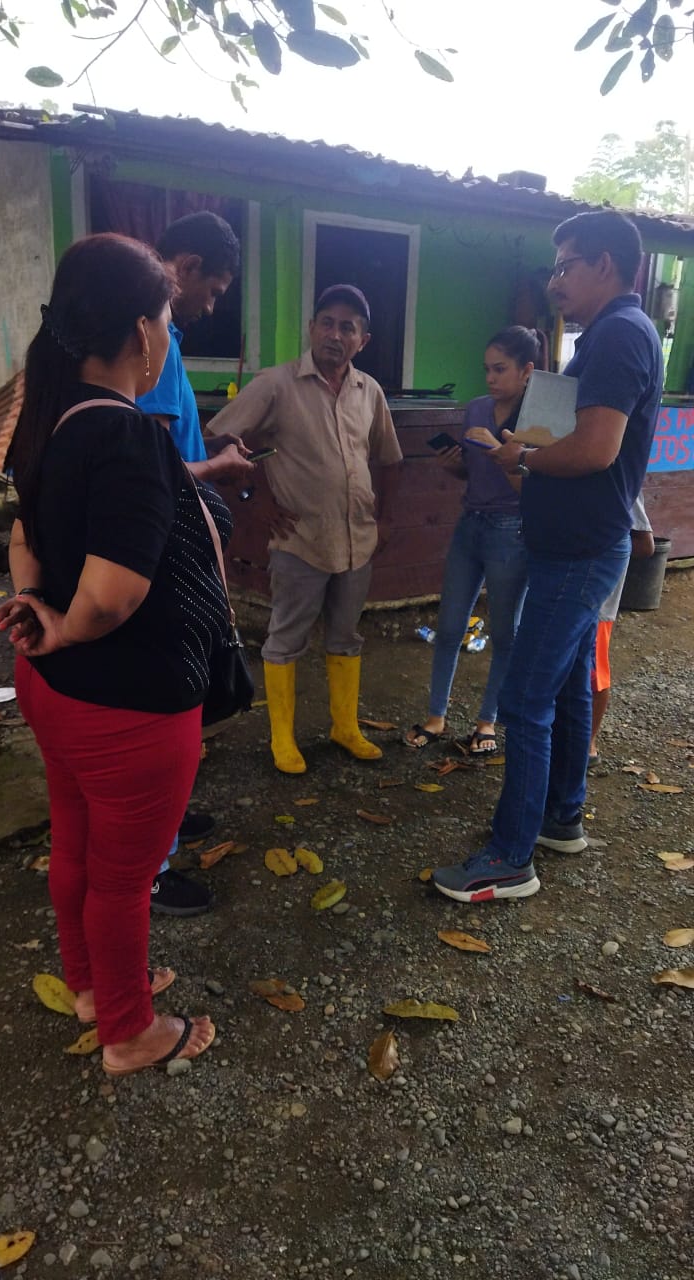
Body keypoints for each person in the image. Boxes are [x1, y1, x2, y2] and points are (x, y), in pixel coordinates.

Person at [0, 233, 225, 1074]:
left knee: (77, 848)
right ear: (142, 332)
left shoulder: (46, 423)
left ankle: (93, 988)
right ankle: (130, 1032)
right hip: (126, 704)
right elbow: (114, 594)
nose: (167, 334)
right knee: (123, 877)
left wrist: (38, 614)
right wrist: (69, 624)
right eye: (166, 318)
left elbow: (23, 538)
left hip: (54, 690)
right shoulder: (126, 436)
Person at [433, 209, 664, 903]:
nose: (555, 281)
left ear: (605, 265)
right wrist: (528, 451)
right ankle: (562, 816)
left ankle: (510, 858)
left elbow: (595, 449)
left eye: (566, 265)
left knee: (526, 698)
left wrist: (522, 458)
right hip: (575, 544)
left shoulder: (620, 334)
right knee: (563, 688)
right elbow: (576, 433)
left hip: (579, 551)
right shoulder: (609, 335)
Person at [207, 283, 403, 773]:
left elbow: (390, 459)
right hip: (300, 540)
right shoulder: (276, 385)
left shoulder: (369, 391)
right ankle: (282, 740)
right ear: (312, 328)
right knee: (286, 638)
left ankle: (345, 728)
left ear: (363, 340)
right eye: (327, 323)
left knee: (346, 636)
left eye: (347, 328)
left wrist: (385, 519)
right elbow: (217, 439)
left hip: (357, 540)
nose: (335, 334)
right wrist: (254, 500)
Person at [138, 212, 256, 918]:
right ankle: (151, 868)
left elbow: (170, 450)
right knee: (166, 697)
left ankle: (169, 820)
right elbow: (150, 470)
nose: (213, 307)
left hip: (173, 542)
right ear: (183, 268)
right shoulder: (149, 346)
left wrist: (210, 456)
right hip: (160, 550)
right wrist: (217, 468)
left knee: (180, 696)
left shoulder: (168, 342)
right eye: (213, 291)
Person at [404, 327, 544, 755]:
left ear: (526, 371)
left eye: (500, 369)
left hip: (512, 530)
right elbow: (470, 472)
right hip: (471, 523)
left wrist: (503, 453)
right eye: (487, 369)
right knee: (449, 626)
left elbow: (533, 489)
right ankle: (436, 716)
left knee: (504, 632)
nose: (490, 378)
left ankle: (487, 721)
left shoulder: (537, 420)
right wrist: (452, 464)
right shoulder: (477, 409)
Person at [589, 495, 654, 767]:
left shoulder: (624, 486)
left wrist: (606, 550)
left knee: (594, 675)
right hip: (570, 593)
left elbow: (645, 545)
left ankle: (588, 742)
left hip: (598, 601)